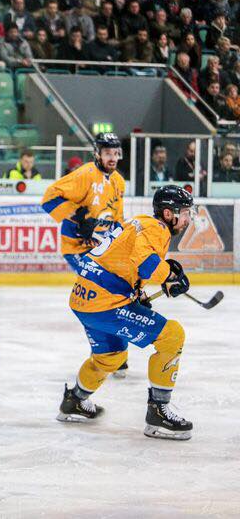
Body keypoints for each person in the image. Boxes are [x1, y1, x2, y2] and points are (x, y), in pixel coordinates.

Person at [58, 186, 194, 441]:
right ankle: (158, 414)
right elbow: (146, 264)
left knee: (110, 357)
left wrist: (138, 292)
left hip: (83, 298)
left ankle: (74, 402)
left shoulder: (138, 223)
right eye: (185, 213)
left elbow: (125, 262)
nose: (187, 220)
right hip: (105, 302)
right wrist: (170, 277)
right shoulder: (158, 229)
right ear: (168, 213)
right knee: (172, 336)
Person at [42, 133, 125, 273]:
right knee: (97, 279)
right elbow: (49, 198)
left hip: (102, 246)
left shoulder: (119, 181)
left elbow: (117, 218)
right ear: (97, 154)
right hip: (77, 246)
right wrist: (79, 216)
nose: (113, 158)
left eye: (116, 153)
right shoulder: (86, 174)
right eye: (107, 153)